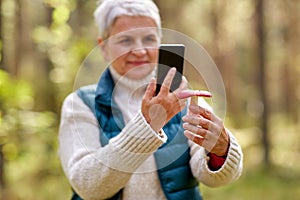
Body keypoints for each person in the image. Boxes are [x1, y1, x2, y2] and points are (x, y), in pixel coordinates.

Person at [58, 0, 243, 199]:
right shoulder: (80, 104)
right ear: (103, 47)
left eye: (148, 38)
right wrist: (147, 126)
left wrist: (221, 150)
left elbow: (215, 178)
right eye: (125, 40)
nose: (139, 51)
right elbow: (87, 186)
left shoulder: (183, 96)